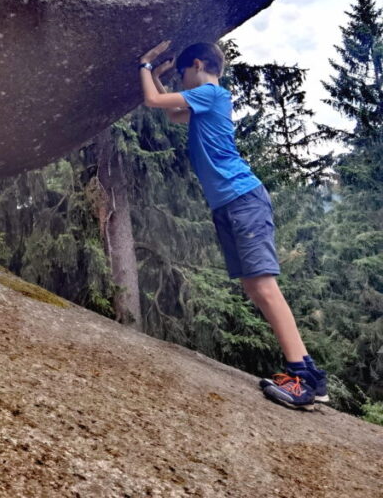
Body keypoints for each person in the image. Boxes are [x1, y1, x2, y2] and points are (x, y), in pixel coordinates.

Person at [136, 39, 328, 410]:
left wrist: (145, 67)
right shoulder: (205, 100)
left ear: (197, 64)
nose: (182, 80)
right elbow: (173, 113)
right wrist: (160, 80)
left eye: (182, 73)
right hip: (230, 204)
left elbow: (154, 102)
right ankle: (308, 375)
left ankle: (304, 377)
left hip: (242, 199)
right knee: (254, 286)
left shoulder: (210, 92)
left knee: (264, 286)